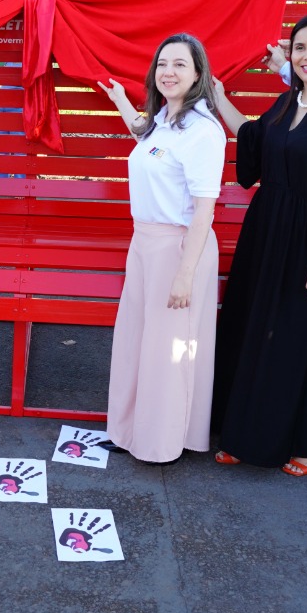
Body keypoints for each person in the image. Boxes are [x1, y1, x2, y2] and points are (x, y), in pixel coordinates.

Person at [206, 12, 307, 476]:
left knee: (298, 341)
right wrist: (220, 98)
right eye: (300, 47)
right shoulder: (284, 103)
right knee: (253, 330)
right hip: (265, 233)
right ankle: (246, 434)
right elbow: (253, 140)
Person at [97, 34, 224, 465]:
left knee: (170, 349)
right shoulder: (165, 121)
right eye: (162, 63)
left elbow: (205, 209)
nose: (168, 71)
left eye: (180, 64)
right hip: (145, 244)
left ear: (198, 74)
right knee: (138, 339)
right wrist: (119, 102)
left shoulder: (203, 131)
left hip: (179, 246)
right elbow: (146, 141)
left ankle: (161, 442)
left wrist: (185, 274)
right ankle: (131, 430)